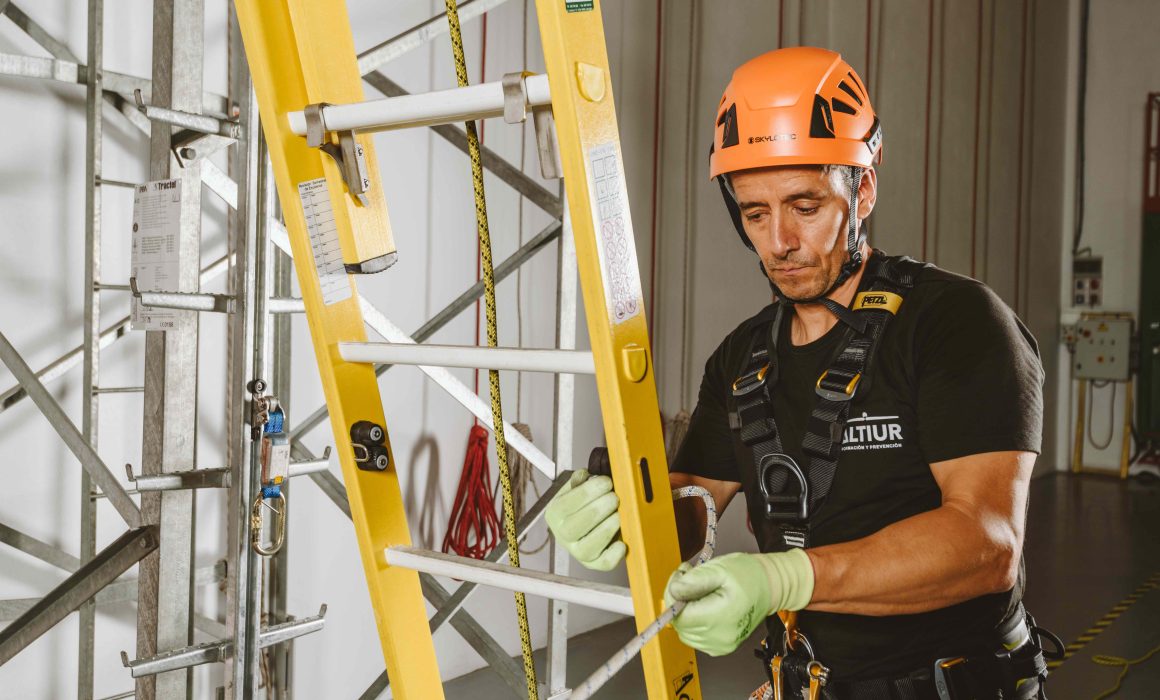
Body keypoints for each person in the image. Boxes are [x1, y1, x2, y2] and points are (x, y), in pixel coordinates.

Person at [545, 47, 1061, 699]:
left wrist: (783, 580)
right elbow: (693, 504)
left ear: (863, 189)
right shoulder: (742, 358)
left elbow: (987, 547)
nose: (779, 241)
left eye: (805, 206)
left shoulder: (956, 323)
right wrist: (624, 517)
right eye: (755, 213)